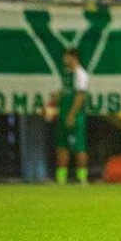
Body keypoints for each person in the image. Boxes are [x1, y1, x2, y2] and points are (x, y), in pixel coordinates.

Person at [46, 47, 89, 185]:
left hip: (75, 117)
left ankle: (82, 178)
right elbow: (66, 92)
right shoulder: (67, 74)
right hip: (63, 115)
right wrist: (55, 99)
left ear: (73, 57)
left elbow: (80, 96)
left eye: (66, 56)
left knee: (79, 147)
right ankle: (61, 178)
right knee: (62, 146)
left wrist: (72, 115)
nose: (64, 59)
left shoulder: (81, 74)